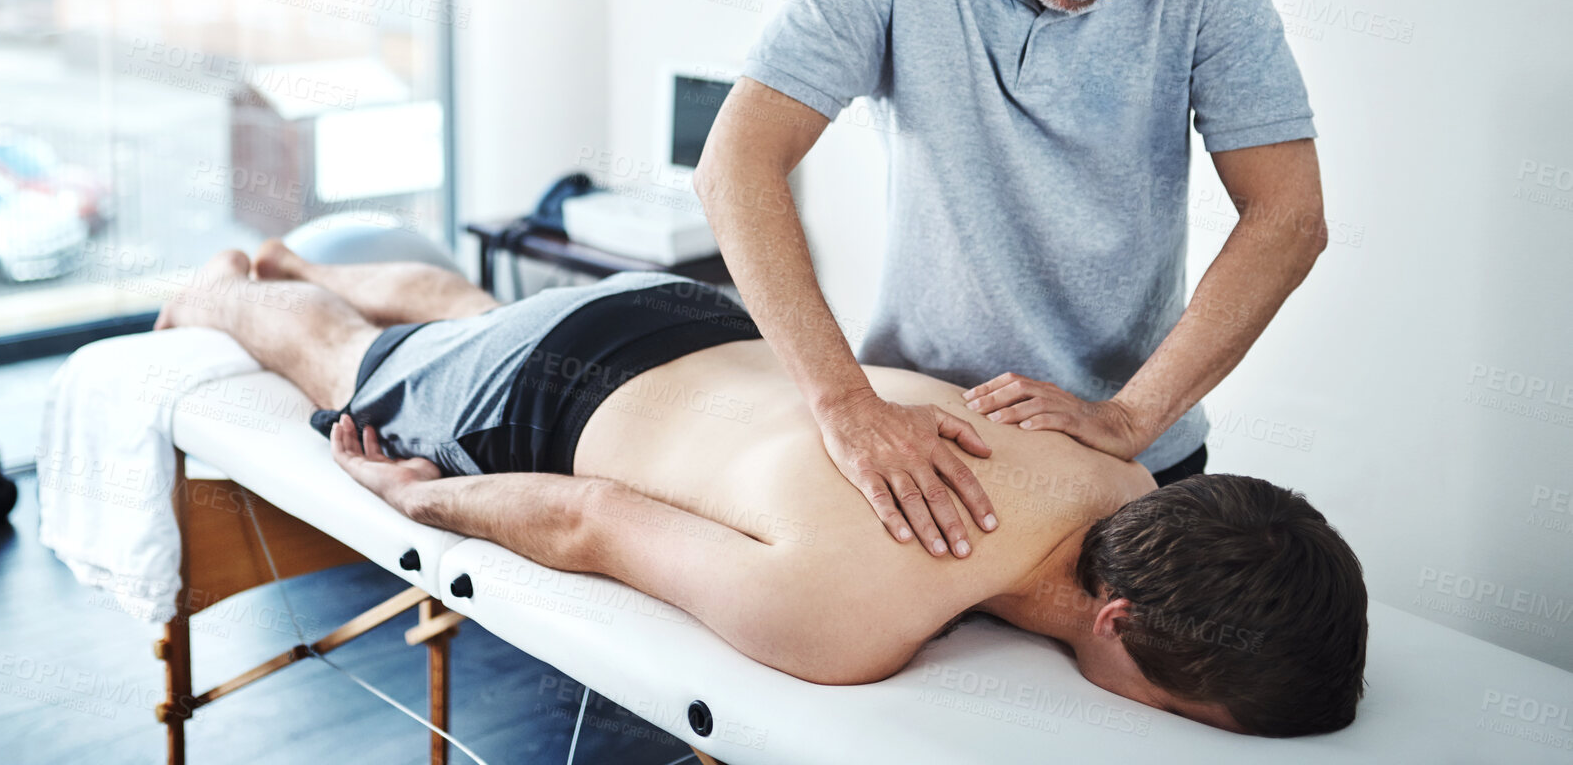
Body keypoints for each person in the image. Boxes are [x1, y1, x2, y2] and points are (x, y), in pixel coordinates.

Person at [156, 244, 1367, 736]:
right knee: (344, 361)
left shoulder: (1108, 462)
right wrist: (415, 505)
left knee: (481, 322)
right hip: (558, 395)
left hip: (699, 323)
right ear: (1114, 626)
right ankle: (227, 285)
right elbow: (589, 519)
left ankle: (341, 269)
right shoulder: (846, 622)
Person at [693, 0, 1329, 562]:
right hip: (931, 441)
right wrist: (845, 405)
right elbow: (736, 164)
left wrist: (1130, 417)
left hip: (1130, 457)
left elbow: (1289, 215)